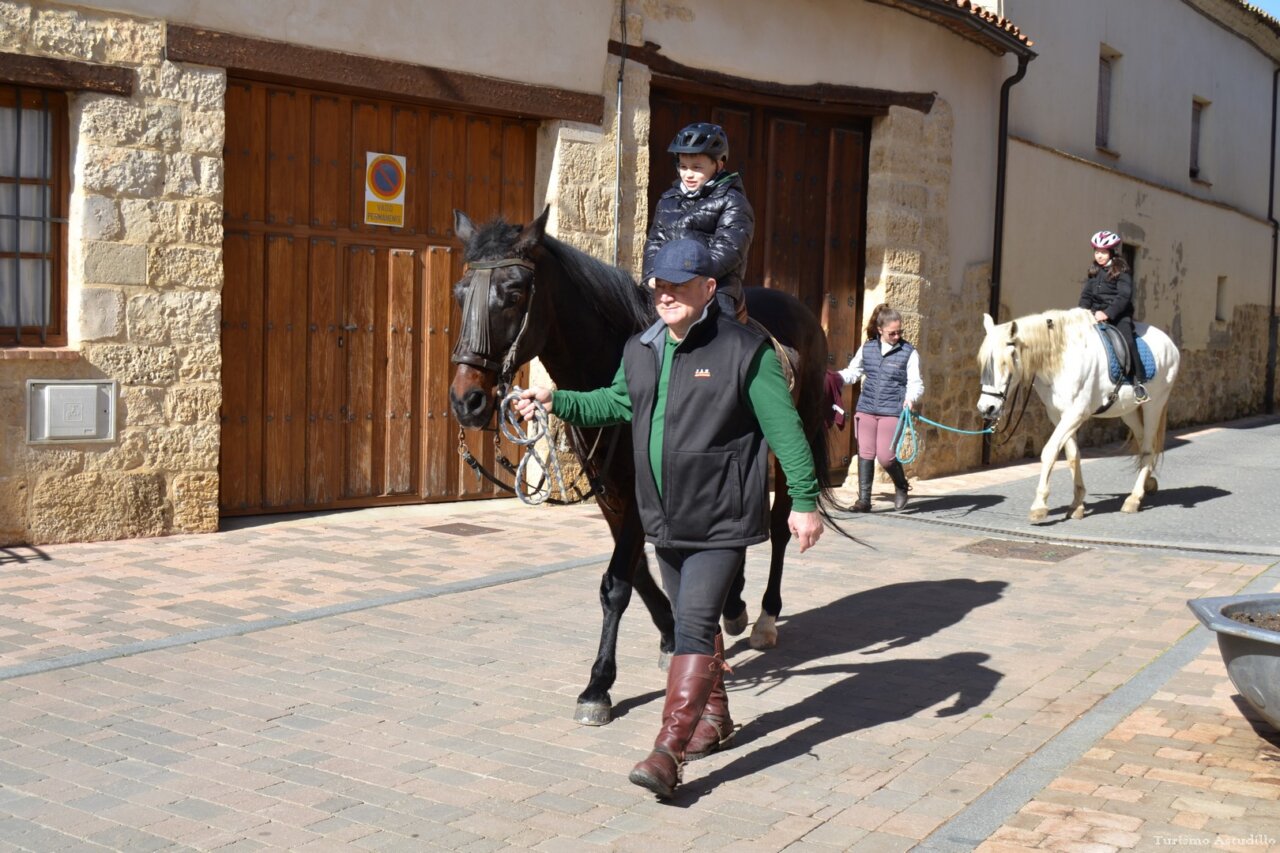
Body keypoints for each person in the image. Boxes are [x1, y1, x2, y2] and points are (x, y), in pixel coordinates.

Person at [513, 238, 823, 799]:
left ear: (709, 290)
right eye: (660, 283)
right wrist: (554, 399)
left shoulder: (745, 352)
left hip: (721, 519)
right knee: (691, 625)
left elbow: (786, 431)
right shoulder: (643, 349)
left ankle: (667, 750)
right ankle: (717, 717)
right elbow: (614, 402)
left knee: (693, 627)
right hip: (665, 519)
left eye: (681, 284)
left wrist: (802, 501)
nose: (666, 293)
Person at [642, 122, 754, 324]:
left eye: (697, 167)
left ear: (718, 165)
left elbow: (730, 248)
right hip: (668, 281)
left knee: (721, 329)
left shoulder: (733, 201)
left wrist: (692, 276)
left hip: (716, 283)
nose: (688, 174)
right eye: (683, 167)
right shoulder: (667, 200)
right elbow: (654, 242)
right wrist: (651, 273)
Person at [838, 304, 923, 512]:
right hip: (866, 408)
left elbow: (916, 383)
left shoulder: (909, 352)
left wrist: (911, 398)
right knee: (865, 453)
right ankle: (864, 500)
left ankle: (901, 486)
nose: (896, 336)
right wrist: (834, 378)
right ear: (880, 330)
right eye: (892, 333)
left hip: (892, 411)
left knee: (885, 456)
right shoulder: (867, 348)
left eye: (899, 332)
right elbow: (853, 372)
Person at [1079, 229, 1148, 402]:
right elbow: (1086, 296)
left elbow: (1124, 296)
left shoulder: (1121, 270)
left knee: (1128, 340)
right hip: (1094, 314)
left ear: (1111, 252)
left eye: (1103, 252)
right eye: (1097, 252)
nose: (1099, 256)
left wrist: (1108, 313)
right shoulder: (1094, 271)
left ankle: (1137, 382)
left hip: (1118, 314)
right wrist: (1081, 312)